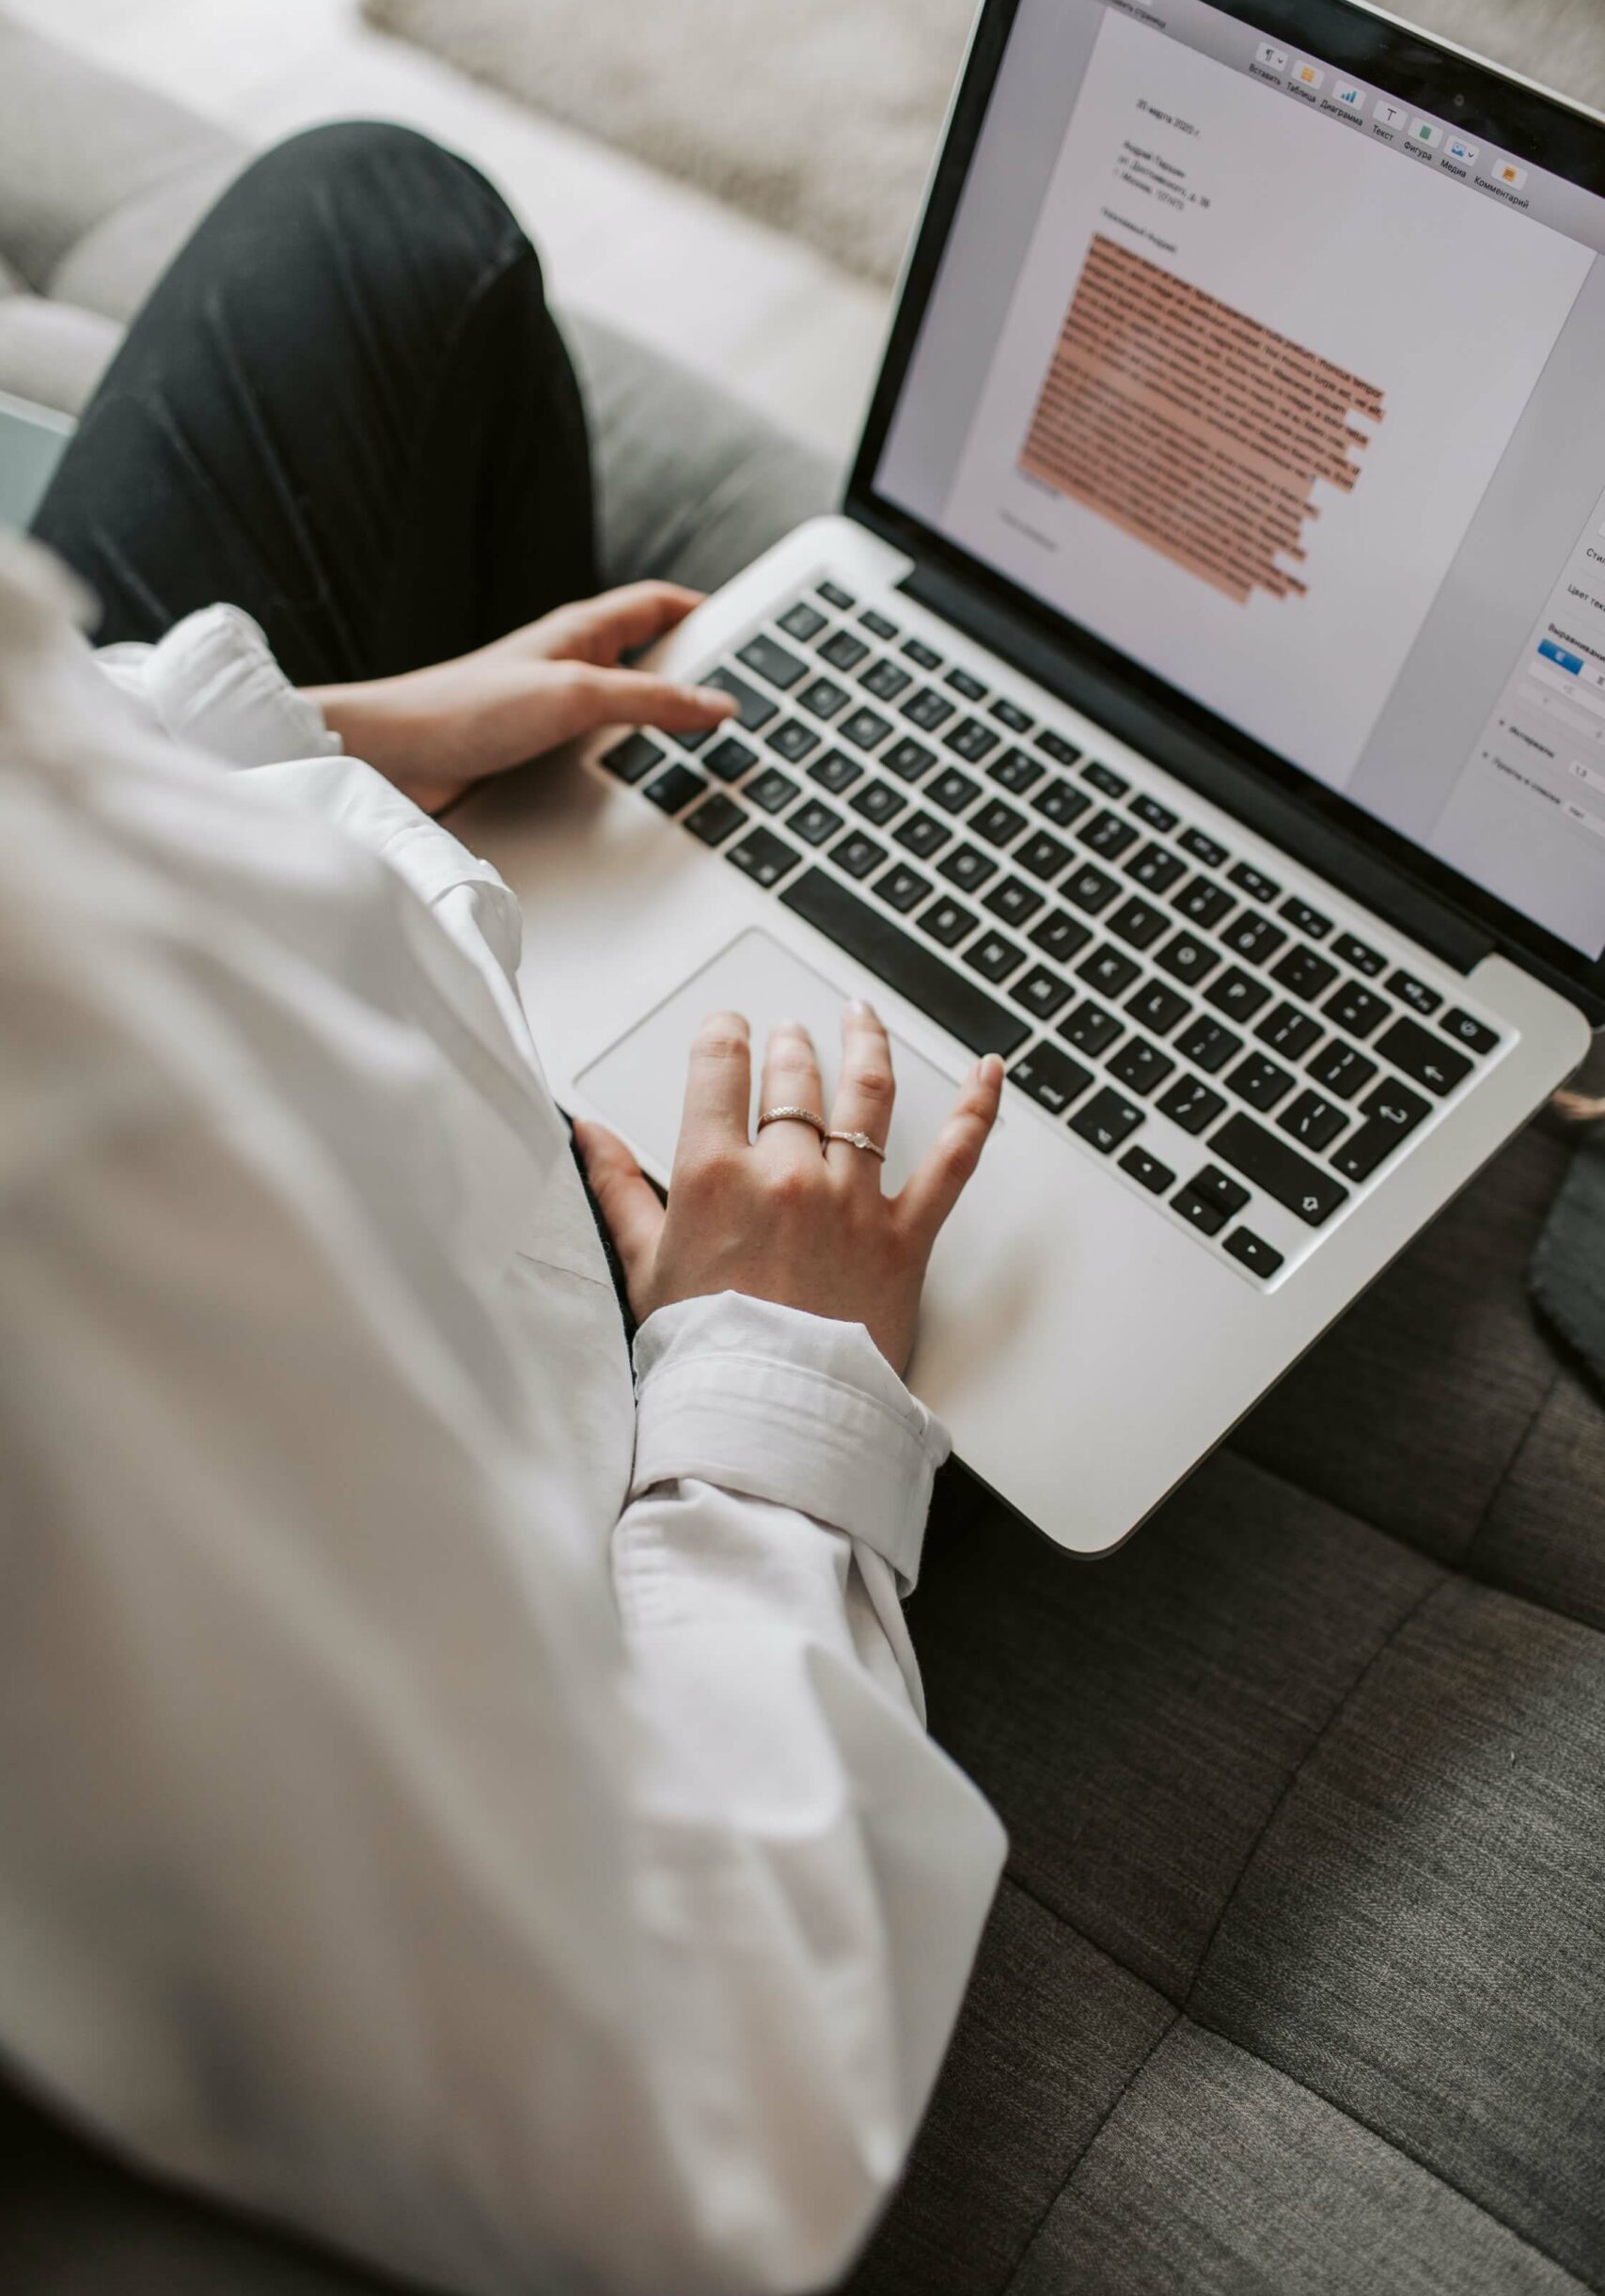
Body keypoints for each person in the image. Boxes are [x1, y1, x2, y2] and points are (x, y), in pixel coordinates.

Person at [0, 121, 1008, 2293]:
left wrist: (302, 745)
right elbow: (695, 2148)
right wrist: (766, 1386)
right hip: (542, 1382)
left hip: (208, 911)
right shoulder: (85, 1188)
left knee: (381, 224)